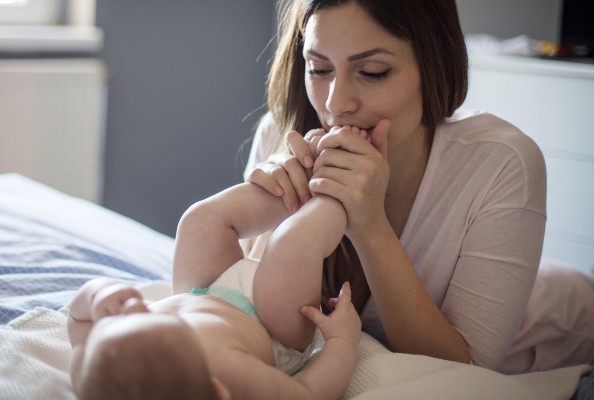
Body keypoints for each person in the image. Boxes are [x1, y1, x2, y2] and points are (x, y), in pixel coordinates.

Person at [227, 0, 587, 373]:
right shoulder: (281, 133)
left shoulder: (502, 163)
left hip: (562, 326)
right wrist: (273, 211)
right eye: (319, 69)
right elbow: (235, 300)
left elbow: (466, 370)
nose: (336, 104)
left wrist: (370, 226)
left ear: (434, 66)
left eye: (372, 71)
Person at [68, 179, 363, 400]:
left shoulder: (96, 373)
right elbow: (308, 394)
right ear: (218, 392)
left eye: (120, 319)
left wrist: (97, 296)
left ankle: (296, 183)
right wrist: (341, 341)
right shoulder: (229, 372)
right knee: (292, 245)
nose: (134, 305)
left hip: (201, 292)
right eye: (146, 315)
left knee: (199, 221)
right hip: (269, 325)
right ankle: (338, 190)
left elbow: (78, 321)